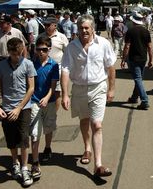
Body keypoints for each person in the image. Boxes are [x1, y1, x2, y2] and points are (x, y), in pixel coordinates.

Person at [60, 14, 116, 178]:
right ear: (77, 29)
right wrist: (65, 94)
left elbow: (111, 67)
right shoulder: (71, 47)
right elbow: (65, 70)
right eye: (81, 28)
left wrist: (111, 89)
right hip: (79, 89)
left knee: (97, 125)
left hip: (98, 88)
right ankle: (87, 148)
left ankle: (98, 165)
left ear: (92, 29)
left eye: (86, 28)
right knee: (84, 121)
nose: (84, 31)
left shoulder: (103, 44)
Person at [0, 37, 36, 187]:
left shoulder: (28, 64)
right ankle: (15, 163)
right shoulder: (2, 66)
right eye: (14, 54)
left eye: (19, 53)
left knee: (24, 138)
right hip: (7, 107)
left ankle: (24, 167)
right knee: (11, 139)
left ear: (22, 50)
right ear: (8, 52)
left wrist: (19, 107)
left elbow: (31, 88)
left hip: (24, 107)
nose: (17, 57)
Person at [37, 15, 69, 161]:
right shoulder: (41, 36)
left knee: (57, 92)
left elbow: (67, 53)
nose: (46, 26)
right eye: (45, 24)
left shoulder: (61, 37)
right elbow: (35, 52)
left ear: (54, 25)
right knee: (46, 90)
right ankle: (49, 112)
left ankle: (52, 112)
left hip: (58, 67)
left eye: (49, 24)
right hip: (42, 68)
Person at [29, 36, 59, 180]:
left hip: (50, 101)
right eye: (38, 49)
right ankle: (35, 163)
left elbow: (53, 86)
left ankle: (47, 147)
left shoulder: (54, 65)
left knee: (49, 127)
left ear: (49, 49)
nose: (41, 52)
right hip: (34, 101)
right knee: (34, 133)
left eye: (44, 50)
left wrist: (47, 98)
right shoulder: (31, 64)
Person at [121, 13, 153, 110]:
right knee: (138, 78)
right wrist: (151, 59)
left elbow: (127, 46)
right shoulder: (146, 31)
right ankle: (134, 97)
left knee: (137, 79)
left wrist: (123, 59)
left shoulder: (130, 31)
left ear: (133, 21)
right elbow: (150, 47)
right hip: (143, 58)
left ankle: (145, 100)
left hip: (133, 58)